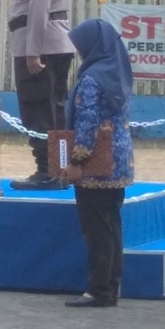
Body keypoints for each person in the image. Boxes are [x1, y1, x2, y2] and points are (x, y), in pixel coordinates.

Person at [62, 19, 135, 308]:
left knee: (96, 230)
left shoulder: (92, 79)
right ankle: (111, 287)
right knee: (112, 226)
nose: (79, 52)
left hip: (95, 164)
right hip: (119, 162)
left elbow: (88, 122)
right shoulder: (118, 74)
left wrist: (76, 161)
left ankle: (99, 290)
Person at [9, 0, 76, 191]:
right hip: (57, 42)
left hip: (41, 44)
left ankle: (47, 171)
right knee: (55, 110)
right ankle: (59, 169)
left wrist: (32, 51)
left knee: (38, 110)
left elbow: (39, 7)